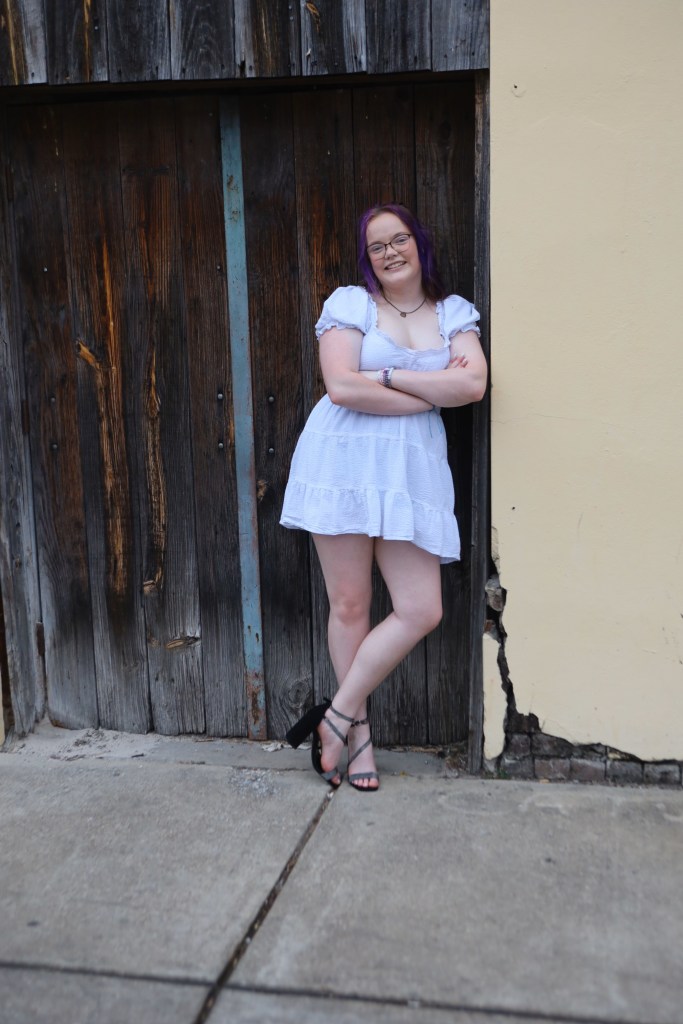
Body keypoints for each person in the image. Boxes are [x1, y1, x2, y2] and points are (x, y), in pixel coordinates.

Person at [280, 202, 487, 792]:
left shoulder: (453, 314)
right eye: (376, 246)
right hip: (344, 458)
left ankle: (335, 716)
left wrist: (389, 376)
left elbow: (472, 384)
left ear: (419, 243)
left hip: (409, 472)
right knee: (350, 604)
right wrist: (431, 390)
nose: (390, 252)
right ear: (366, 258)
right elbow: (342, 387)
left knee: (421, 608)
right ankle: (360, 740)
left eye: (399, 239)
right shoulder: (352, 304)